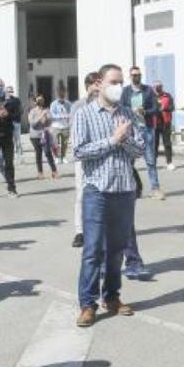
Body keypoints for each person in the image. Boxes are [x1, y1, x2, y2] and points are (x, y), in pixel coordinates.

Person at [73, 64, 145, 328]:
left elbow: (139, 151)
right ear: (99, 83)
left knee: (116, 250)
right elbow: (79, 151)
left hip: (124, 189)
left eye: (121, 82)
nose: (118, 86)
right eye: (113, 81)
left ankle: (112, 297)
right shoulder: (84, 114)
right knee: (92, 249)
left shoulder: (127, 114)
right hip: (97, 190)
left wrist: (124, 139)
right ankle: (87, 304)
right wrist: (113, 141)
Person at [71, 72, 100, 248]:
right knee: (82, 194)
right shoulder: (78, 105)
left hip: (102, 153)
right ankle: (80, 231)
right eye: (95, 84)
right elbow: (74, 129)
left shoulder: (106, 103)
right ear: (88, 86)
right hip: (83, 156)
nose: (98, 88)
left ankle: (98, 227)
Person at [123, 67, 163, 198]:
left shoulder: (148, 90)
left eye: (138, 75)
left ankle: (155, 189)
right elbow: (121, 108)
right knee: (129, 162)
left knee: (150, 160)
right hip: (131, 130)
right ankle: (133, 188)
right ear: (130, 77)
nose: (136, 77)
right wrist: (130, 111)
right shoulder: (125, 92)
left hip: (146, 129)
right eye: (134, 75)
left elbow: (156, 108)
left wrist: (144, 112)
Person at [27, 96, 59, 179]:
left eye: (42, 100)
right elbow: (33, 124)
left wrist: (46, 117)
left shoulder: (46, 111)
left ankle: (54, 171)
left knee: (48, 153)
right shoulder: (32, 111)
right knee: (38, 154)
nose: (40, 102)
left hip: (45, 135)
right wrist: (41, 116)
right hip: (35, 136)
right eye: (38, 100)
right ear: (35, 102)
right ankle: (40, 173)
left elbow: (49, 122)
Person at [153, 82, 176, 169]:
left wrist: (165, 108)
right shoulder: (151, 96)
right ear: (153, 87)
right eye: (156, 86)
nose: (158, 87)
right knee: (155, 144)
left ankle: (169, 162)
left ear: (162, 87)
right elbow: (147, 107)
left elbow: (172, 107)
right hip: (154, 123)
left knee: (167, 143)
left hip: (165, 123)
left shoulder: (167, 95)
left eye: (159, 86)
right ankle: (154, 162)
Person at [50, 84, 72, 162]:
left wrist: (69, 117)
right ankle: (56, 157)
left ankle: (63, 157)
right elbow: (52, 114)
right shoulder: (53, 104)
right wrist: (62, 116)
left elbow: (71, 113)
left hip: (65, 126)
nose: (61, 98)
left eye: (63, 96)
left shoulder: (68, 104)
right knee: (55, 143)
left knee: (65, 143)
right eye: (60, 96)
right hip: (56, 126)